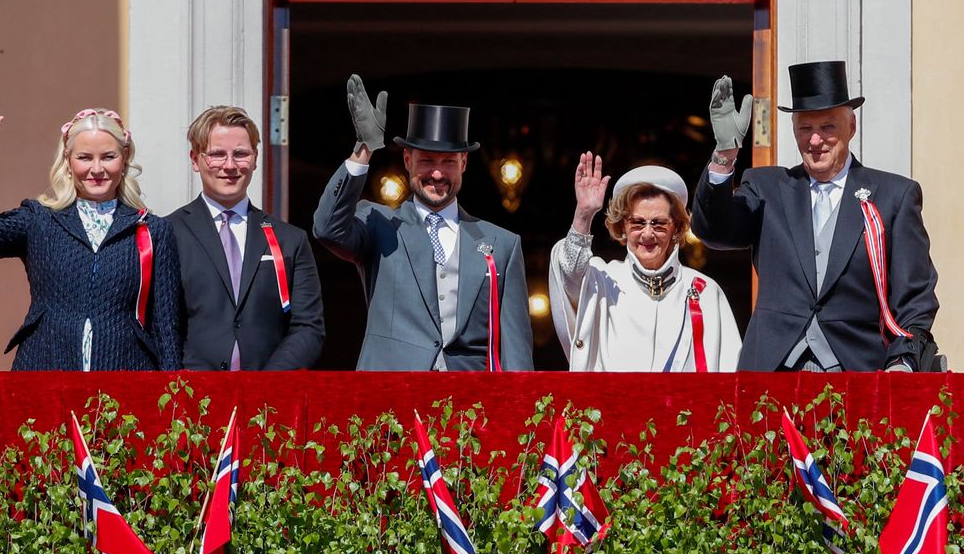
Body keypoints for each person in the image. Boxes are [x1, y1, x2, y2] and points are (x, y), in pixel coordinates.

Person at [692, 61, 939, 372]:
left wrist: (903, 360)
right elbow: (713, 231)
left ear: (851, 127)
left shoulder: (894, 196)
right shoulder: (766, 186)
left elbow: (915, 294)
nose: (814, 141)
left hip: (859, 369)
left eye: (827, 127)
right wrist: (724, 154)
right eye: (805, 129)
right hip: (772, 371)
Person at [313, 75, 533, 371]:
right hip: (391, 398)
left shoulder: (503, 244)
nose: (438, 174)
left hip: (471, 403)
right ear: (407, 159)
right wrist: (363, 150)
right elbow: (327, 228)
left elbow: (516, 349)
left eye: (448, 163)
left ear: (464, 165)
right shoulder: (380, 224)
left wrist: (516, 408)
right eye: (428, 161)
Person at [0, 92, 181, 370]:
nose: (97, 169)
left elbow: (166, 327)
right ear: (69, 161)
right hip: (44, 370)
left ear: (125, 159)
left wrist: (172, 401)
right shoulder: (40, 219)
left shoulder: (153, 230)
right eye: (84, 157)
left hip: (126, 377)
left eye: (108, 156)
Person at [550, 154, 740, 372]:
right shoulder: (602, 279)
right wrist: (583, 216)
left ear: (676, 228)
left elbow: (732, 380)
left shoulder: (705, 291)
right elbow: (568, 274)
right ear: (622, 226)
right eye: (637, 223)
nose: (648, 234)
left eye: (659, 224)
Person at [168, 106, 324, 371]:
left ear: (255, 158)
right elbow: (159, 323)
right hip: (191, 396)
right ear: (195, 160)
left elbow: (307, 327)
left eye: (240, 154)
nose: (230, 166)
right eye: (217, 154)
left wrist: (265, 385)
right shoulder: (167, 233)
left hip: (268, 400)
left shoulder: (290, 240)